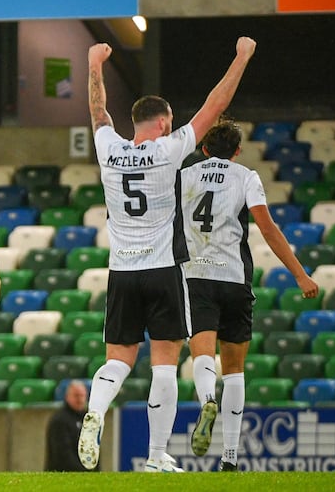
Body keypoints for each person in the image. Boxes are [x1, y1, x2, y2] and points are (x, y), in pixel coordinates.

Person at [77, 37, 257, 473]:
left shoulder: (109, 148)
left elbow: (99, 112)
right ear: (162, 123)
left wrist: (94, 64)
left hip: (121, 270)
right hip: (163, 270)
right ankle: (157, 456)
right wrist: (241, 58)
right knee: (164, 362)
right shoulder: (168, 150)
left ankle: (95, 411)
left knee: (117, 360)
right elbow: (215, 106)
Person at [180, 121, 318, 470]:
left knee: (202, 353)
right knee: (236, 369)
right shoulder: (246, 177)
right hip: (234, 278)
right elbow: (267, 229)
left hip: (196, 275)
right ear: (237, 150)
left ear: (205, 149)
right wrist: (300, 275)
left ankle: (207, 398)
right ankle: (229, 458)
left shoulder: (186, 176)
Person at [45, 381, 98, 472]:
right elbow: (63, 454)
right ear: (67, 397)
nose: (80, 399)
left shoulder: (87, 418)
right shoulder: (60, 420)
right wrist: (83, 471)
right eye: (76, 395)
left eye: (82, 396)